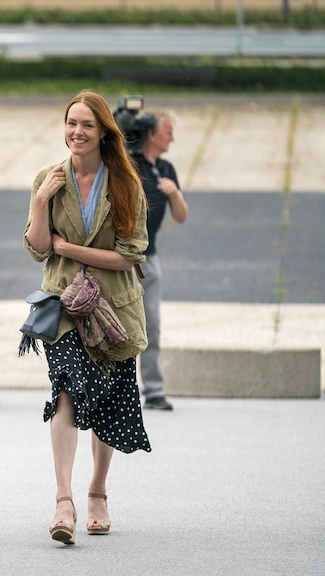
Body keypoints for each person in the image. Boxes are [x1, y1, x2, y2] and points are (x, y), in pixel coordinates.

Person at [23, 89, 152, 546]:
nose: (76, 132)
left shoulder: (126, 184)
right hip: (62, 307)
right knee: (66, 394)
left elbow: (129, 257)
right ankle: (64, 500)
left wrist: (69, 248)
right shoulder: (48, 177)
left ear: (103, 133)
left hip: (113, 309)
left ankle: (97, 490)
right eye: (71, 123)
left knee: (110, 401)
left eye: (86, 125)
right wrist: (41, 202)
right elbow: (38, 246)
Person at [135, 112, 189, 411]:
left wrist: (175, 193)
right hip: (124, 260)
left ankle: (153, 390)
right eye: (167, 131)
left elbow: (181, 216)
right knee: (121, 327)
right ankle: (119, 388)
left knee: (152, 325)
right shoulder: (130, 165)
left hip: (150, 259)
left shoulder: (166, 169)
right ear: (152, 134)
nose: (172, 137)